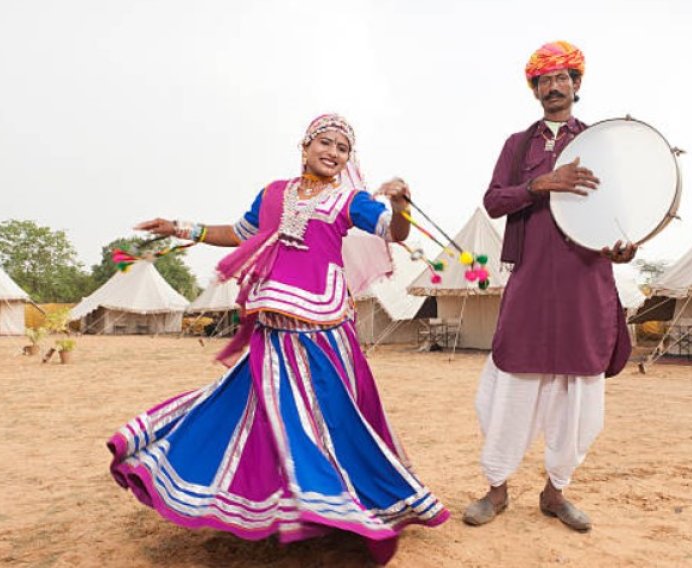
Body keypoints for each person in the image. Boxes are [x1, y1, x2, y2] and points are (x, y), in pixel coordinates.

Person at [108, 114, 449, 565]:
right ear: (304, 146)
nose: (332, 152)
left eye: (342, 148)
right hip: (273, 327)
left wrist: (402, 204)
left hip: (324, 330)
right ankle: (285, 507)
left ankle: (340, 503)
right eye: (324, 142)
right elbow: (239, 233)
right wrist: (182, 227)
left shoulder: (352, 200)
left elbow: (395, 232)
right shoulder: (273, 194)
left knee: (334, 421)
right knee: (268, 419)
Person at [462, 41, 636, 532]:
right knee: (511, 385)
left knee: (579, 392)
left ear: (577, 85)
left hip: (587, 280)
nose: (554, 86)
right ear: (535, 89)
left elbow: (624, 213)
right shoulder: (519, 145)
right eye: (544, 79)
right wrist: (541, 184)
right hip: (532, 278)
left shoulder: (601, 142)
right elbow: (495, 201)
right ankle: (496, 489)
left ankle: (556, 493)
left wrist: (626, 247)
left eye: (563, 77)